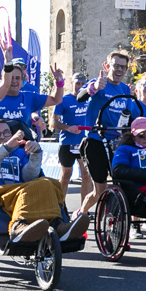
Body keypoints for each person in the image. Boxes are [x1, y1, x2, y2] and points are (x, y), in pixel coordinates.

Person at [0, 119, 83, 242]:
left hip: (19, 190)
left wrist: (35, 154)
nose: (2, 136)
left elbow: (30, 177)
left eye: (6, 132)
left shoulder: (19, 152)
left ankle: (58, 225)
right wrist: (5, 148)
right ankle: (18, 226)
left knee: (51, 183)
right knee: (31, 188)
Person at [76, 50, 134, 216]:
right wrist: (93, 88)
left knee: (123, 184)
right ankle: (81, 213)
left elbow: (128, 117)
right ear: (107, 66)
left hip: (117, 143)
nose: (119, 70)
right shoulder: (99, 82)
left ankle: (116, 224)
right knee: (100, 189)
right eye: (116, 66)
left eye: (123, 67)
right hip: (95, 141)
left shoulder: (125, 89)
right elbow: (81, 97)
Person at [50, 72, 90, 203]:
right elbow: (53, 123)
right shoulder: (64, 100)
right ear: (72, 83)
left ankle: (84, 210)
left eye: (83, 84)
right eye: (77, 83)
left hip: (84, 143)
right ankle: (61, 205)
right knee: (66, 174)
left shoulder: (90, 99)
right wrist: (68, 128)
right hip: (67, 142)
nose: (80, 86)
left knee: (86, 175)